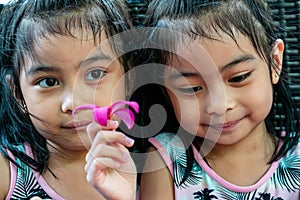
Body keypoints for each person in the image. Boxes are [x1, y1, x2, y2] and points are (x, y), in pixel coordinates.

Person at [136, 0, 300, 199]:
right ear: (165, 90)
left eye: (238, 78)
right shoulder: (166, 160)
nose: (220, 106)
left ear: (275, 62)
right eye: (192, 88)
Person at [0, 0, 137, 199]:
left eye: (95, 74)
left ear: (127, 78)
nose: (74, 104)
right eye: (48, 82)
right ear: (18, 94)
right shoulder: (7, 173)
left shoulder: (154, 168)